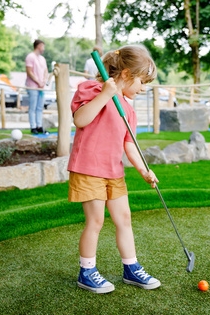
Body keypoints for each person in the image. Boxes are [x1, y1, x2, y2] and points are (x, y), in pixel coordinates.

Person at [69, 45, 161, 294]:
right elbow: (80, 120)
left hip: (114, 172)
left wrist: (144, 170)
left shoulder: (128, 111)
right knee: (96, 221)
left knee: (124, 219)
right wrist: (105, 95)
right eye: (142, 81)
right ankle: (86, 271)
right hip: (88, 169)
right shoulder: (92, 89)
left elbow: (130, 145)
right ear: (127, 74)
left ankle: (131, 268)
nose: (143, 88)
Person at [25, 39, 48, 134]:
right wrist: (38, 81)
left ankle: (39, 125)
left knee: (40, 107)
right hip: (33, 86)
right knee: (33, 107)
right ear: (39, 46)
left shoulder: (42, 58)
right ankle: (33, 126)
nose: (43, 49)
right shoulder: (30, 57)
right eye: (43, 46)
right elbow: (29, 71)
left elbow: (46, 70)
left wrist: (43, 81)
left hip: (41, 87)